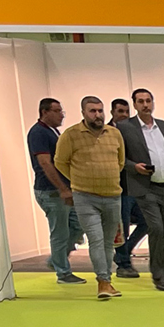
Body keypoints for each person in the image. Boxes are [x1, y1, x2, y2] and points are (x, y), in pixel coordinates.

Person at [116, 88, 164, 292]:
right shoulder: (125, 128)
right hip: (146, 187)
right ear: (134, 104)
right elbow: (118, 157)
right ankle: (158, 275)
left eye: (148, 100)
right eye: (141, 101)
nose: (145, 105)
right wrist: (134, 167)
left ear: (153, 102)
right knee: (157, 229)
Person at [53, 94, 127, 299]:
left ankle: (107, 281)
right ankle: (103, 282)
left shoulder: (114, 134)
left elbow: (120, 162)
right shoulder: (70, 135)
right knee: (96, 239)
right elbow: (60, 162)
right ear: (83, 113)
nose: (97, 115)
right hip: (85, 196)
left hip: (112, 195)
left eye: (100, 111)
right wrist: (78, 179)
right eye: (92, 111)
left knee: (108, 242)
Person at [26, 97, 83, 284]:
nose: (61, 115)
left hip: (61, 189)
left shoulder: (52, 131)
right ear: (45, 112)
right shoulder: (38, 133)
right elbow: (45, 163)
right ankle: (63, 272)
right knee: (60, 232)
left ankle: (56, 260)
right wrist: (62, 188)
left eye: (61, 111)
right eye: (57, 111)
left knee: (78, 225)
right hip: (51, 191)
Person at [109, 98, 147, 279]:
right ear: (112, 113)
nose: (124, 115)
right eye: (120, 111)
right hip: (117, 188)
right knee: (122, 228)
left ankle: (123, 253)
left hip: (135, 187)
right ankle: (123, 264)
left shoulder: (133, 130)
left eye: (126, 111)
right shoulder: (107, 132)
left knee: (147, 221)